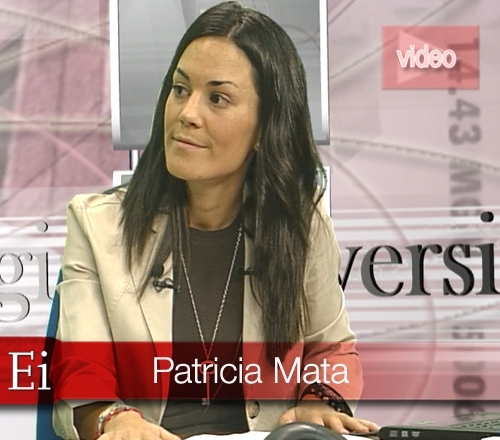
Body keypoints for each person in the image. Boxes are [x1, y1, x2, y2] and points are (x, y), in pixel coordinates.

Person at [50, 2, 379, 439]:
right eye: (180, 89)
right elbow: (82, 372)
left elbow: (331, 348)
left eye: (217, 98)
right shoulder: (97, 225)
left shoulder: (299, 223)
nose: (187, 113)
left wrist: (318, 404)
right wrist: (118, 421)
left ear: (265, 127)